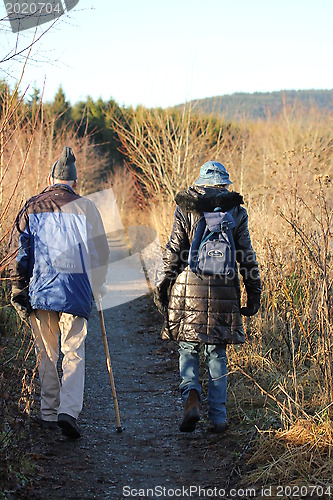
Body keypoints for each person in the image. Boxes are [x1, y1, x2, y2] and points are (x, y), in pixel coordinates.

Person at [8, 146, 109, 438]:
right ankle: (69, 411)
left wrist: (18, 286)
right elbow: (100, 253)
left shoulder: (31, 206)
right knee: (73, 351)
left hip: (41, 291)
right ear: (75, 182)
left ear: (50, 178)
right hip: (76, 292)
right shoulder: (87, 207)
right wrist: (98, 286)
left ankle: (48, 413)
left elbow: (22, 253)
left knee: (47, 353)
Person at [154, 161, 261, 433]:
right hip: (224, 288)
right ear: (225, 184)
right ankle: (218, 416)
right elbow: (246, 255)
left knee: (189, 346)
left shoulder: (186, 207)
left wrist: (164, 286)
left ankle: (191, 393)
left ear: (200, 183)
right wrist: (253, 292)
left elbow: (175, 251)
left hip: (190, 286)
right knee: (217, 351)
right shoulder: (236, 211)